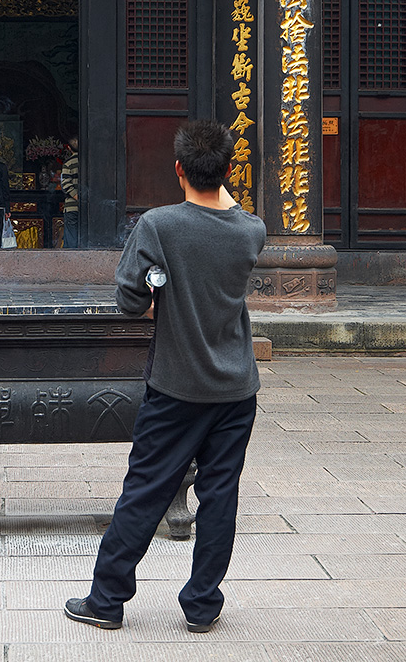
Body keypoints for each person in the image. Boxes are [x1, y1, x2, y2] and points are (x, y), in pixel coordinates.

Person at [64, 119, 266, 634]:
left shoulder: (159, 225)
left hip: (177, 385)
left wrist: (156, 283)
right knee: (220, 495)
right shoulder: (252, 229)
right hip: (236, 387)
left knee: (146, 490)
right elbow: (230, 224)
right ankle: (202, 604)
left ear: (178, 168)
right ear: (227, 170)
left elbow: (129, 302)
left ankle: (107, 599)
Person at [61, 136, 79, 248]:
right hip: (89, 207)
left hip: (72, 206)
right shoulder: (90, 162)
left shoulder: (68, 163)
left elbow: (66, 184)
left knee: (72, 238)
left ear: (69, 148)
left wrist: (75, 196)